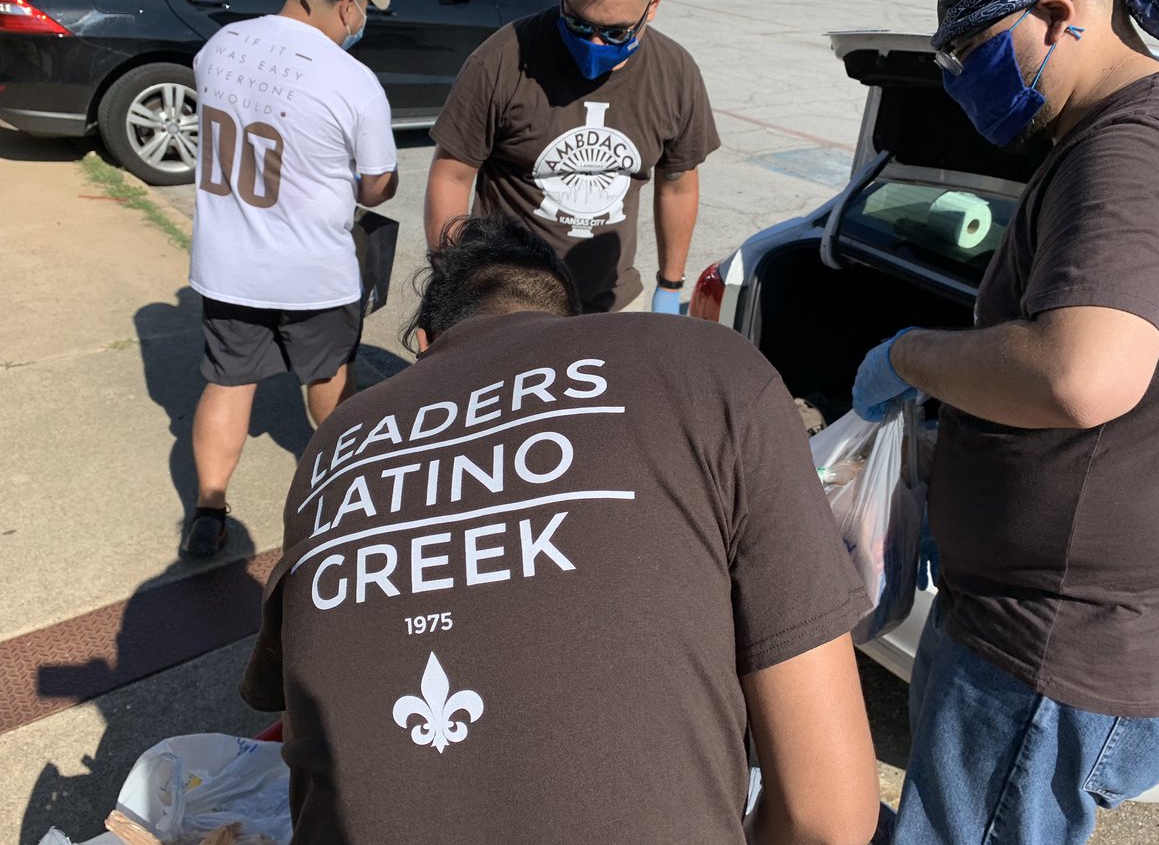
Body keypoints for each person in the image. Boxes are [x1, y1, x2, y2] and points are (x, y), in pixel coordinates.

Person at [240, 215, 879, 844]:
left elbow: (306, 716)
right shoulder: (709, 369)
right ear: (567, 324)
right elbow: (828, 818)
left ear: (426, 344)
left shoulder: (335, 445)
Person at [850, 0, 1159, 841]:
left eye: (972, 50)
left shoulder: (1133, 153)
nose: (963, 80)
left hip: (1053, 646)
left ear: (1055, 12)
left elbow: (1081, 375)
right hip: (1064, 621)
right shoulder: (1157, 127)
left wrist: (912, 355)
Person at [183, 0, 399, 556]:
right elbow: (375, 183)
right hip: (314, 271)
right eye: (362, 10)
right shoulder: (352, 80)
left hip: (227, 264)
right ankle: (343, 491)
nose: (360, 23)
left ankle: (208, 508)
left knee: (229, 383)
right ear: (349, 5)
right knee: (329, 378)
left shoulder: (220, 47)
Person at [422, 0, 720, 315]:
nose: (594, 44)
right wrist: (451, 285)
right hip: (508, 306)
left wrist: (670, 287)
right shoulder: (501, 61)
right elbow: (451, 176)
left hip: (613, 304)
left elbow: (678, 185)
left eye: (615, 33)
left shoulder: (675, 74)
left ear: (653, 5)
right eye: (579, 23)